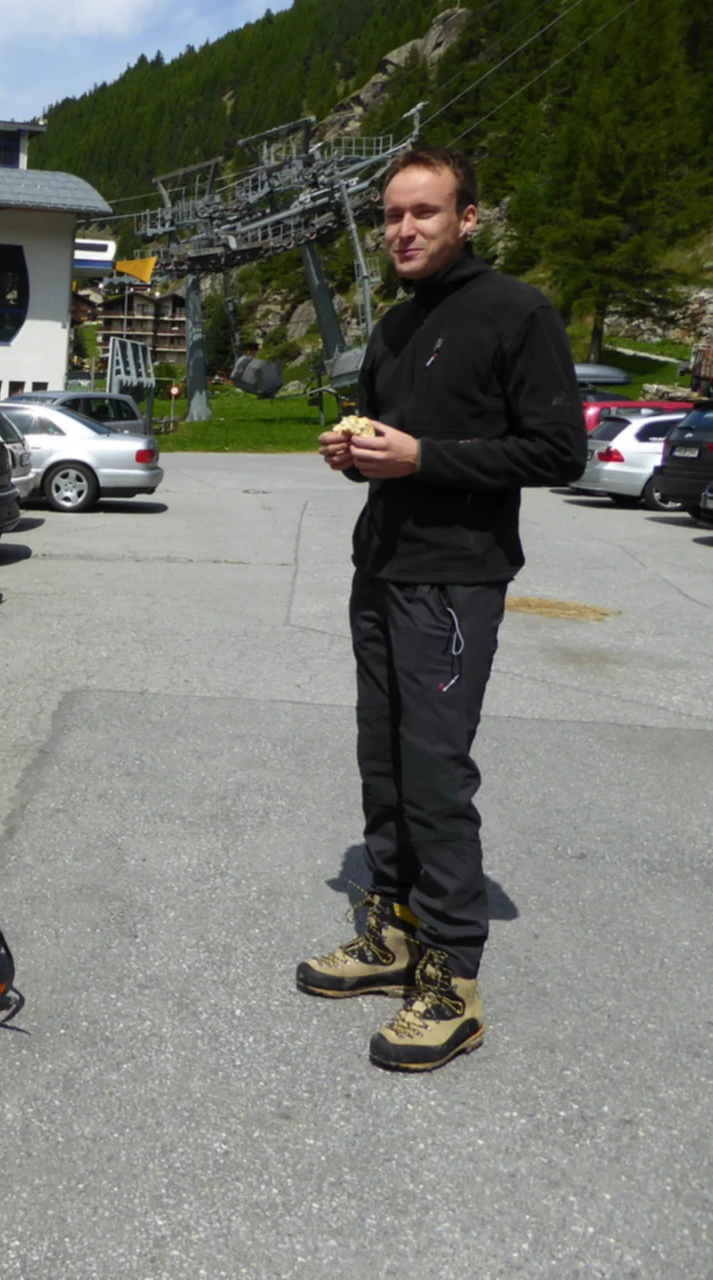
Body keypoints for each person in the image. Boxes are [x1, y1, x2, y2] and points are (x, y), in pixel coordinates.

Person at [298, 147, 584, 1072]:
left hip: (454, 582)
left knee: (432, 772)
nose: (403, 230)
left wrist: (423, 457)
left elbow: (557, 452)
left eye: (423, 212)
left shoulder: (516, 312)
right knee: (381, 761)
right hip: (380, 568)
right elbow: (393, 444)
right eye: (391, 215)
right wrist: (356, 455)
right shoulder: (394, 324)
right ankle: (391, 932)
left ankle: (452, 977)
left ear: (468, 217)